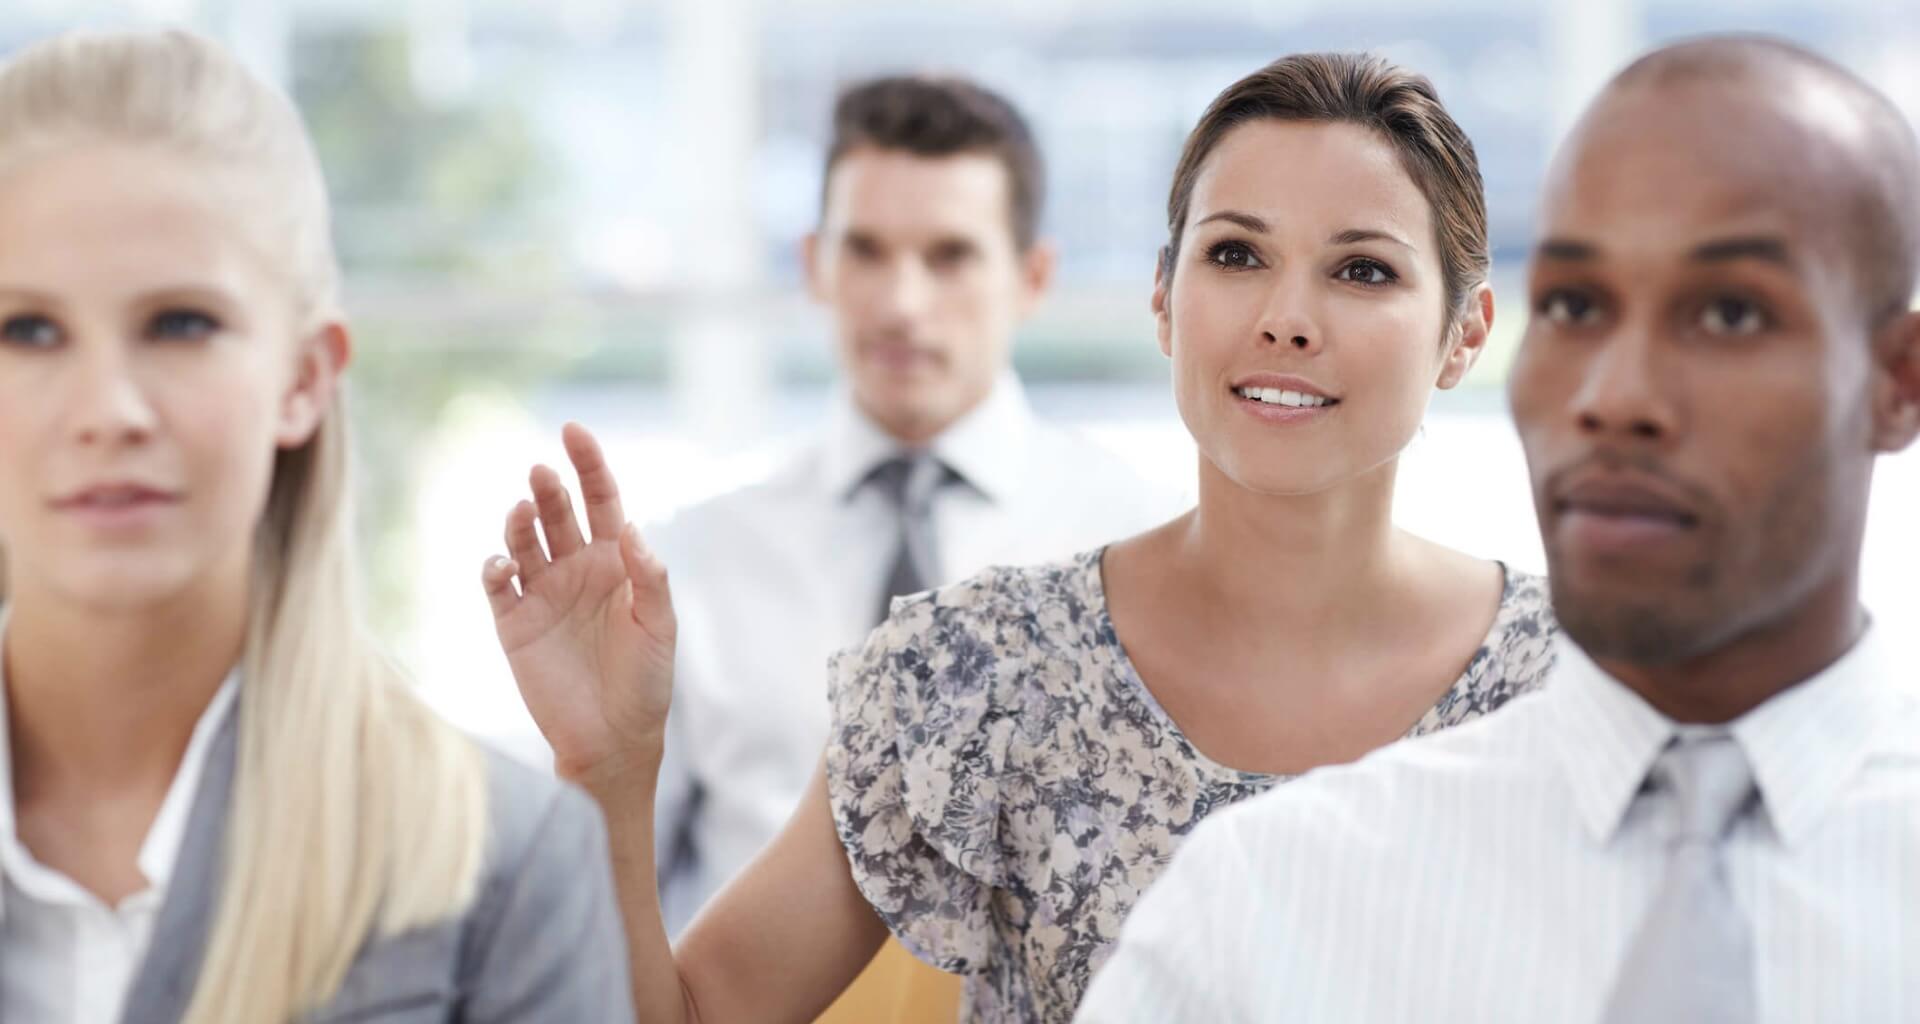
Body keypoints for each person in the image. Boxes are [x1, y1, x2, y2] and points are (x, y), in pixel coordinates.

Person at [484, 52, 1557, 1024]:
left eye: (1362, 269)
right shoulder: (973, 670)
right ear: (1162, 300)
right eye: (1235, 253)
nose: (1286, 316)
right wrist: (610, 769)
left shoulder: (1575, 686)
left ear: (1465, 332)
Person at [1077, 34, 1920, 1023]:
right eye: (1573, 304)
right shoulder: (1270, 897)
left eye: (1729, 313)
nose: (1614, 396)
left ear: (1897, 381)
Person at [0, 30, 632, 1024]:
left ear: (302, 380)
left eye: (179, 324)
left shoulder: (500, 862)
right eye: (28, 330)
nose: (106, 408)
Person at [648, 75, 1182, 939]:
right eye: (865, 251)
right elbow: (615, 891)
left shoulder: (1142, 544)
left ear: (1034, 275)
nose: (901, 304)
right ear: (814, 264)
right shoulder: (693, 557)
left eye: (950, 256)